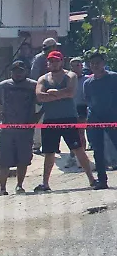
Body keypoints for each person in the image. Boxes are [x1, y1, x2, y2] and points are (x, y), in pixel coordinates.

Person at [34, 50, 95, 191]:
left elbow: (71, 93)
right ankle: (45, 183)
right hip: (50, 119)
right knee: (49, 152)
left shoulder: (70, 75)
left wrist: (52, 93)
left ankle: (92, 179)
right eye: (51, 61)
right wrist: (60, 94)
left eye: (56, 60)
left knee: (78, 149)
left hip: (68, 118)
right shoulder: (43, 78)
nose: (54, 63)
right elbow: (39, 96)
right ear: (47, 63)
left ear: (61, 61)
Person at [0, 61, 39, 196]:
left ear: (25, 71)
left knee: (23, 159)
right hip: (7, 129)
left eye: (20, 70)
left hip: (25, 129)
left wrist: (38, 115)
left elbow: (44, 99)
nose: (18, 73)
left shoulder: (33, 85)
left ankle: (19, 186)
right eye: (15, 71)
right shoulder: (4, 85)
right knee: (4, 160)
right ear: (11, 72)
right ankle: (2, 188)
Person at [84, 51, 117, 189]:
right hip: (95, 119)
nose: (95, 66)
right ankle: (102, 180)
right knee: (98, 150)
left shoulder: (113, 78)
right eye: (92, 63)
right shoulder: (88, 83)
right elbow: (88, 101)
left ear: (104, 63)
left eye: (98, 63)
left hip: (113, 118)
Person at [66, 57, 88, 169]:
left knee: (80, 133)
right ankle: (72, 156)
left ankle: (81, 158)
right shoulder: (67, 79)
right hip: (70, 108)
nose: (77, 67)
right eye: (74, 65)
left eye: (79, 65)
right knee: (71, 134)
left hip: (82, 108)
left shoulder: (87, 79)